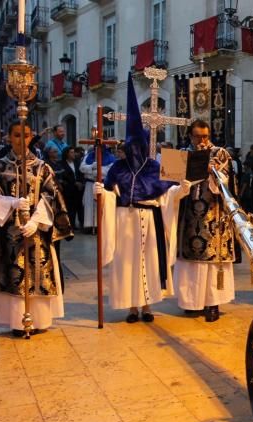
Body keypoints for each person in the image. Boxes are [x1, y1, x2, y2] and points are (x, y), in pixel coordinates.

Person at [96, 79, 178, 323]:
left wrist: (181, 186)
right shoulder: (117, 168)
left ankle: (147, 306)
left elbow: (168, 194)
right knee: (128, 264)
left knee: (150, 263)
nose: (134, 150)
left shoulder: (155, 167)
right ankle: (132, 307)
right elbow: (111, 193)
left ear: (144, 145)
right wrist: (103, 193)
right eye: (130, 146)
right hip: (125, 221)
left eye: (138, 145)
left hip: (150, 220)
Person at [0, 121, 72, 335]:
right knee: (12, 274)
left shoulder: (43, 167)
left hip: (37, 232)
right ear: (9, 137)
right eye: (16, 135)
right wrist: (10, 203)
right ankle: (16, 321)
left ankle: (39, 320)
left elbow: (52, 196)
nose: (21, 140)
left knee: (38, 275)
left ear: (31, 137)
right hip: (8, 233)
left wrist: (36, 220)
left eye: (25, 135)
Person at [167, 121, 236, 322]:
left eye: (205, 136)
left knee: (212, 263)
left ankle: (212, 303)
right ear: (190, 136)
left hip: (214, 217)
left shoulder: (220, 154)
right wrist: (181, 186)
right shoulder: (181, 155)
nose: (203, 140)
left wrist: (212, 172)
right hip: (188, 217)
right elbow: (170, 186)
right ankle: (191, 303)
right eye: (198, 136)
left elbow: (228, 183)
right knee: (190, 264)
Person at [79, 146, 116, 234]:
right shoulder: (88, 156)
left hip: (102, 184)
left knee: (101, 205)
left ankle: (100, 226)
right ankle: (89, 226)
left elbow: (108, 171)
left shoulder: (110, 157)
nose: (98, 150)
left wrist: (94, 171)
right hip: (90, 184)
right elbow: (82, 168)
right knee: (89, 205)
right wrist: (92, 166)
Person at [55, 146, 82, 230]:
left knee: (80, 207)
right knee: (70, 208)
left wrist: (80, 182)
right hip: (68, 189)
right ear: (67, 154)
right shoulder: (61, 164)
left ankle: (82, 224)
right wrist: (74, 183)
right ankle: (71, 225)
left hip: (79, 189)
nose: (74, 154)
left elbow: (81, 173)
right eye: (71, 152)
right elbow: (63, 177)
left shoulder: (77, 162)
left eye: (74, 152)